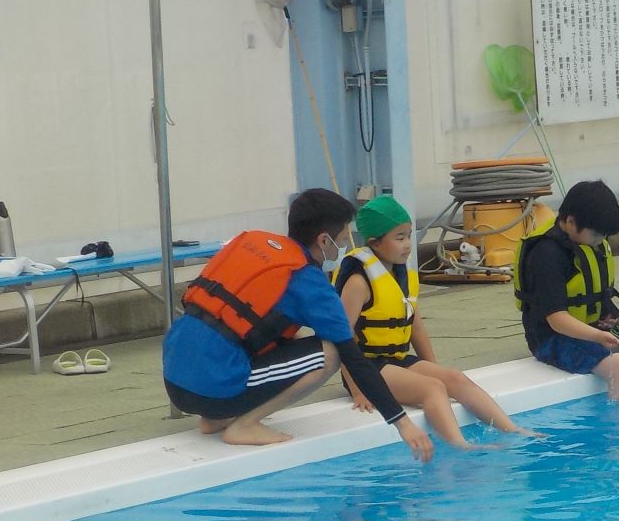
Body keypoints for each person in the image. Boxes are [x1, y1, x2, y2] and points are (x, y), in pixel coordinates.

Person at [162, 188, 433, 460]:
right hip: (211, 387)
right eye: (342, 239)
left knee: (270, 332)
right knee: (331, 352)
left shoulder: (251, 242)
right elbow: (354, 358)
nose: (345, 247)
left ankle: (214, 419)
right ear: (324, 240)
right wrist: (402, 422)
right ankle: (245, 425)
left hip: (174, 380)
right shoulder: (307, 280)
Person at [336, 194, 535, 447]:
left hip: (396, 360)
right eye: (400, 238)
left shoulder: (401, 275)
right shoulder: (359, 282)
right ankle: (460, 446)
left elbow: (415, 326)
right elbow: (341, 336)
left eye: (409, 235)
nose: (408, 244)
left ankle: (511, 430)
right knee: (432, 389)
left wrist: (433, 367)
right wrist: (357, 388)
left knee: (454, 378)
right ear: (375, 243)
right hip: (367, 368)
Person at [517, 180, 619, 407]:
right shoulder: (547, 253)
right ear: (571, 222)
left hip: (595, 327)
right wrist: (600, 338)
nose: (600, 241)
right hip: (551, 337)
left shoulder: (590, 243)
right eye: (596, 235)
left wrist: (607, 315)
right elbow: (556, 319)